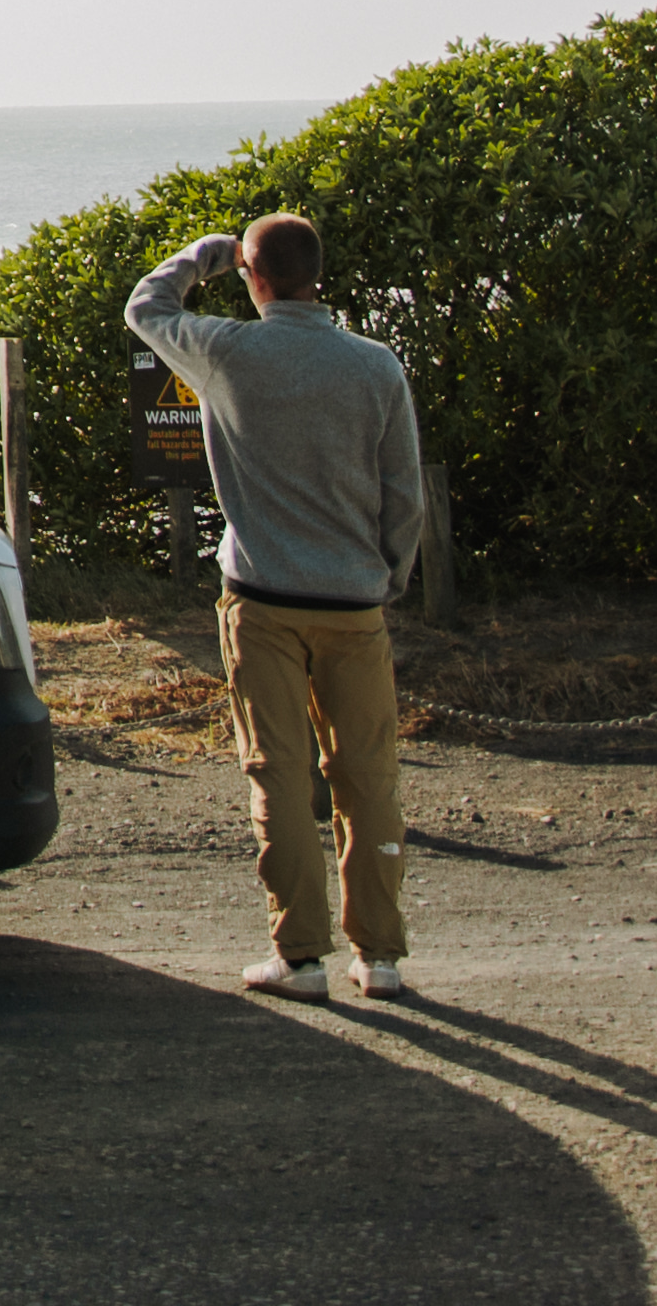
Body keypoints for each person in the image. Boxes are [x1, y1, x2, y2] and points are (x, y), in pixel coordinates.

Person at [127, 208, 431, 1004]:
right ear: (318, 275)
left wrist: (206, 257)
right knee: (368, 780)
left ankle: (301, 958)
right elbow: (405, 493)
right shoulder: (375, 367)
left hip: (261, 599)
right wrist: (387, 576)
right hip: (354, 602)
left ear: (255, 277)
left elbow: (145, 308)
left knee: (281, 778)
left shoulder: (228, 353)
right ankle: (382, 956)